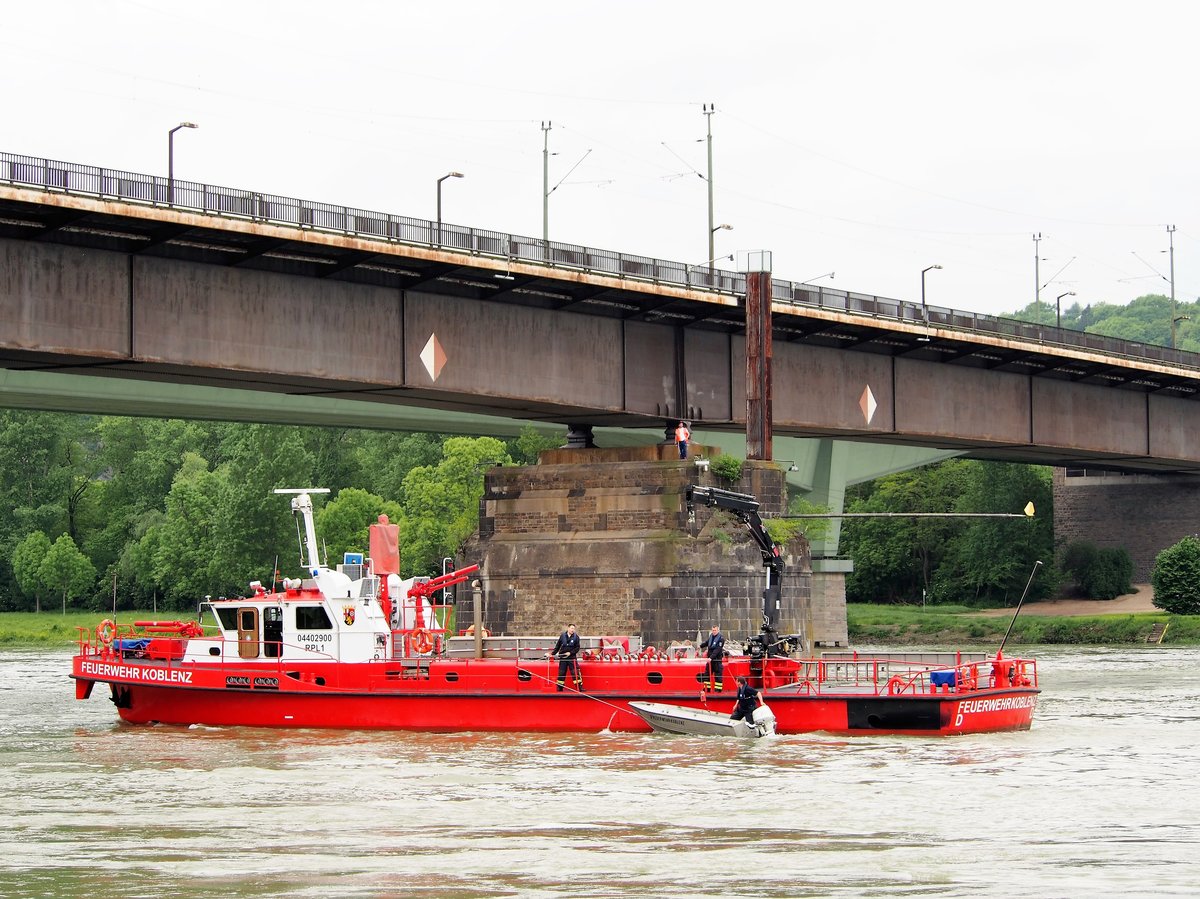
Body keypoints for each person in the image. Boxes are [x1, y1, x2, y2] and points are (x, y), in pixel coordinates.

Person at [551, 623, 582, 691]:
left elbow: (577, 648)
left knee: (575, 672)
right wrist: (552, 654)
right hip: (563, 658)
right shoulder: (562, 636)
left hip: (572, 658)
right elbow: (557, 646)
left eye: (574, 628)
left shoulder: (576, 637)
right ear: (568, 628)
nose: (572, 630)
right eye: (571, 628)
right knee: (561, 672)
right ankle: (560, 687)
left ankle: (579, 687)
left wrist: (570, 653)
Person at [699, 624, 725, 691]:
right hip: (710, 660)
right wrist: (700, 646)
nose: (714, 632)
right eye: (713, 630)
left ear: (718, 630)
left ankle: (718, 690)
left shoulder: (721, 639)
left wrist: (711, 657)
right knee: (707, 674)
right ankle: (707, 688)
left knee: (718, 676)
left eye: (715, 630)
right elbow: (707, 642)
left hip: (716, 660)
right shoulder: (711, 636)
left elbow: (717, 649)